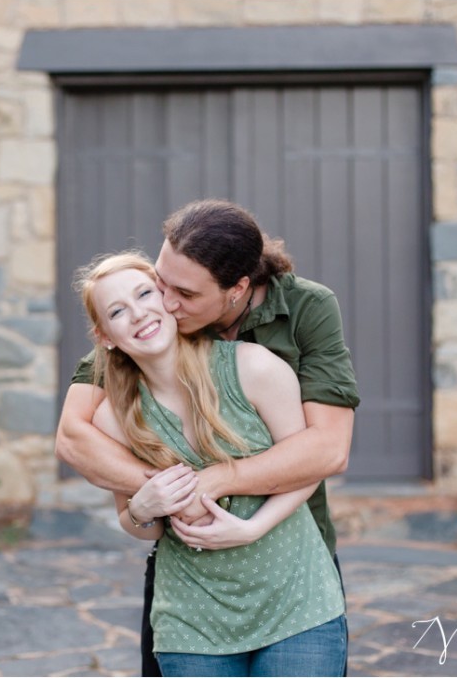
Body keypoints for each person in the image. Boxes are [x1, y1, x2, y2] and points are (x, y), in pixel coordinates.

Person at [56, 199, 360, 675]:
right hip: (191, 589)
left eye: (183, 294)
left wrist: (214, 482)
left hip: (292, 562)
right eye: (160, 283)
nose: (164, 304)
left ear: (238, 289)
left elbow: (326, 449)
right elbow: (74, 438)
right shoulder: (130, 355)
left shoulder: (296, 320)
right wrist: (156, 496)